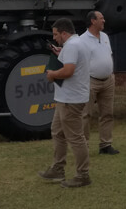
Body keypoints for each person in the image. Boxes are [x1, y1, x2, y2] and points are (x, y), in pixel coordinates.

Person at [38, 18, 92, 187]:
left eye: (56, 34)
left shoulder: (72, 46)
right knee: (57, 132)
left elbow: (68, 71)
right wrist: (60, 53)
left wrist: (52, 74)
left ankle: (83, 175)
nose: (54, 38)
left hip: (71, 99)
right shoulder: (76, 43)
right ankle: (57, 168)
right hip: (65, 98)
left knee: (75, 137)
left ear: (64, 33)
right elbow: (72, 62)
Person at [81, 10, 120, 155]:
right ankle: (83, 147)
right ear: (93, 21)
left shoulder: (104, 36)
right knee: (85, 114)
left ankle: (106, 145)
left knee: (107, 113)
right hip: (90, 81)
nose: (104, 21)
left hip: (108, 81)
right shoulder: (82, 40)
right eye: (101, 18)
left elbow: (108, 55)